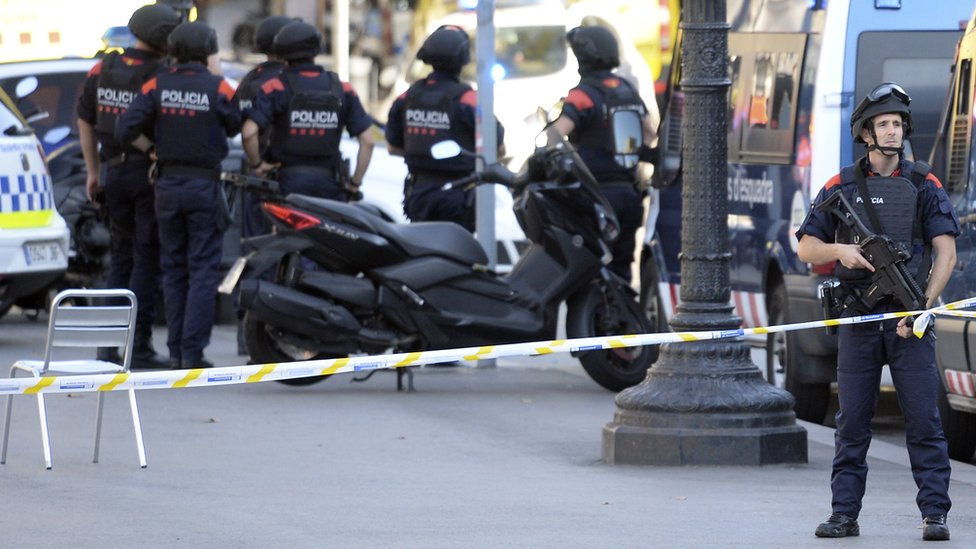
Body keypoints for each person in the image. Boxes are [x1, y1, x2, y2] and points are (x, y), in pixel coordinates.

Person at [795, 82, 959, 541]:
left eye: (897, 124)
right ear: (866, 134)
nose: (892, 131)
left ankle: (935, 514)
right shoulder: (841, 185)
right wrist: (840, 251)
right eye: (883, 124)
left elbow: (946, 253)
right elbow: (806, 246)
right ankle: (844, 514)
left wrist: (922, 308)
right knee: (851, 423)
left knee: (924, 421)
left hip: (910, 322)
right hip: (858, 318)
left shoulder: (924, 183)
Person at [117, 21, 242, 370]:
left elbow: (125, 127)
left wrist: (151, 148)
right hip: (203, 186)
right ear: (208, 51)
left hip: (167, 187)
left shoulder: (158, 83)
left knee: (173, 269)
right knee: (202, 270)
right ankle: (192, 353)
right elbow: (236, 124)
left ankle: (174, 352)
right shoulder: (218, 86)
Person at [76, 3, 181, 369]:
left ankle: (108, 349)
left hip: (113, 174)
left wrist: (93, 172)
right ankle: (137, 347)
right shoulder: (163, 74)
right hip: (147, 174)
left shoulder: (103, 67)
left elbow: (85, 120)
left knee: (120, 259)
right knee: (146, 260)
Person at [551, 25, 657, 282]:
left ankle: (598, 306)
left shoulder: (583, 95)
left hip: (596, 196)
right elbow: (650, 133)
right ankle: (622, 305)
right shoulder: (627, 89)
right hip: (630, 194)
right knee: (622, 264)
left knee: (594, 265)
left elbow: (555, 135)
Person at [385, 24, 505, 232]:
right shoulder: (470, 100)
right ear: (463, 59)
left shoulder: (408, 97)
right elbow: (498, 149)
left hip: (420, 194)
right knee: (458, 249)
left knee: (422, 248)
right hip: (459, 195)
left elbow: (392, 147)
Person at [242, 21, 374, 201]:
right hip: (330, 188)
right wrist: (355, 184)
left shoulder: (275, 87)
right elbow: (368, 141)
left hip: (286, 188)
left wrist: (257, 165)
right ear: (317, 49)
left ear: (281, 51)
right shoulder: (342, 88)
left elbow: (249, 133)